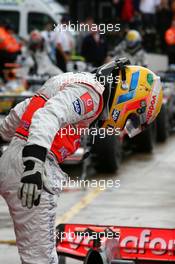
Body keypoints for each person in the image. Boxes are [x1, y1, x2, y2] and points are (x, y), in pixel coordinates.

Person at [0, 58, 163, 264]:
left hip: (11, 160)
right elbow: (48, 116)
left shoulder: (68, 80)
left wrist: (11, 144)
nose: (125, 126)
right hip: (35, 168)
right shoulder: (92, 95)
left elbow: (16, 118)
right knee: (41, 259)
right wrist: (34, 164)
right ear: (130, 96)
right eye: (131, 120)